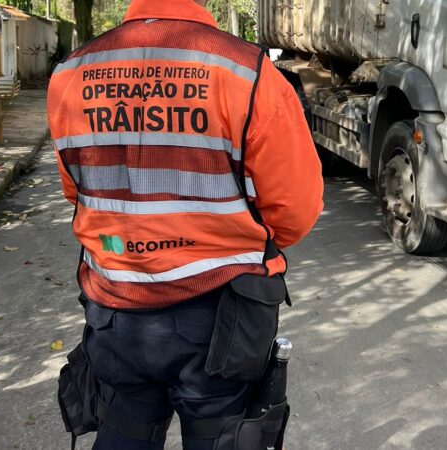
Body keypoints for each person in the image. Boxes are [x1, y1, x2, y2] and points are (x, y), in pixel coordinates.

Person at [47, 0, 323, 448]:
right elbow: (295, 209)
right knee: (223, 437)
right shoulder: (247, 72)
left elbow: (76, 190)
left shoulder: (71, 73)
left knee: (124, 431)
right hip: (220, 316)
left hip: (115, 309)